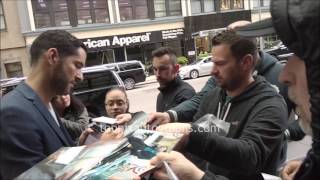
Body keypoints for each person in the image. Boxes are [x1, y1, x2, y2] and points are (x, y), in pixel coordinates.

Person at [151, 30, 288, 180]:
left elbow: (250, 155)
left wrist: (190, 133)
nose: (212, 71)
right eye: (212, 62)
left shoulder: (270, 104)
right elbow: (203, 138)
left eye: (220, 64)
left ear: (246, 62)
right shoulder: (212, 97)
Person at [0, 30, 120, 179]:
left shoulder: (45, 105)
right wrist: (100, 150)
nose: (80, 77)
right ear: (52, 57)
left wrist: (82, 148)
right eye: (77, 65)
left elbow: (53, 163)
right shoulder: (14, 113)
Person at [152, 47, 195, 112]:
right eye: (155, 69)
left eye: (163, 69)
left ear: (176, 69)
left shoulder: (185, 94)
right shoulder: (161, 95)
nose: (158, 74)